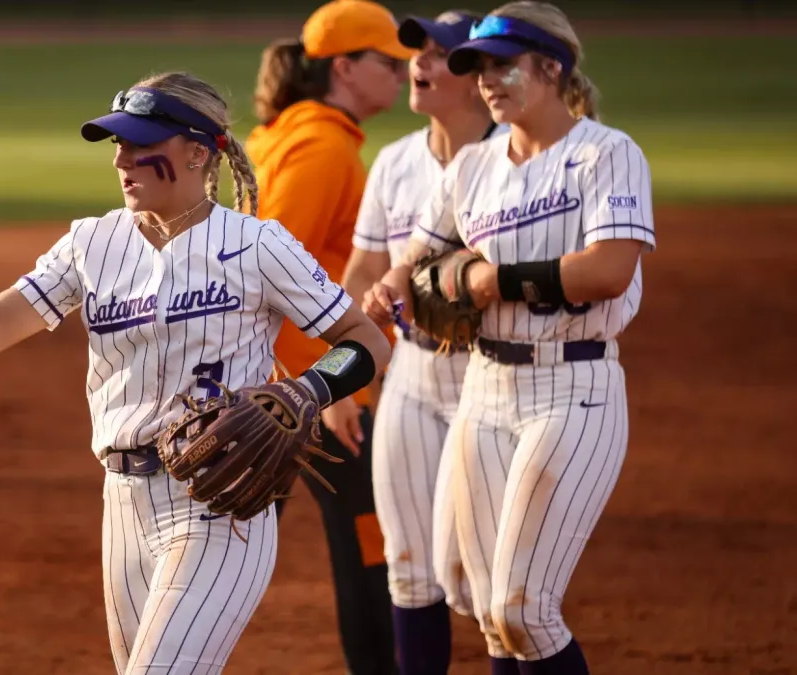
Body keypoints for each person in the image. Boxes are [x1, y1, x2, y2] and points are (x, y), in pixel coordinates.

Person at [0, 71, 391, 674]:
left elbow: (364, 339)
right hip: (123, 505)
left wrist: (308, 388)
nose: (123, 160)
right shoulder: (91, 243)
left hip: (219, 503)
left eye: (142, 145)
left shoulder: (257, 245)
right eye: (117, 145)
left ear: (199, 152)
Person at [363, 2, 654, 673]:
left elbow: (608, 270)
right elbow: (417, 253)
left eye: (502, 65)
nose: (487, 79)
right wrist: (394, 285)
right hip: (486, 391)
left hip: (572, 388)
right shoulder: (474, 167)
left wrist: (495, 282)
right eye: (478, 67)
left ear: (551, 67)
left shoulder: (605, 154)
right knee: (484, 603)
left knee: (523, 607)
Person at [243, 1, 413, 672]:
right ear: (344, 67)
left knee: (230, 553)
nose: (402, 75)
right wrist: (329, 384)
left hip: (274, 384)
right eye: (389, 62)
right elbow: (265, 273)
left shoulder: (279, 134)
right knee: (371, 551)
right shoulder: (321, 146)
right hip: (317, 390)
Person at [340, 9, 510, 675]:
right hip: (411, 371)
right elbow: (361, 273)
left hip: (494, 376)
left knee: (496, 578)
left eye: (440, 54)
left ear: (474, 78)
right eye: (417, 50)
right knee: (409, 566)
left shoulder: (512, 162)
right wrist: (341, 379)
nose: (420, 62)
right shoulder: (396, 162)